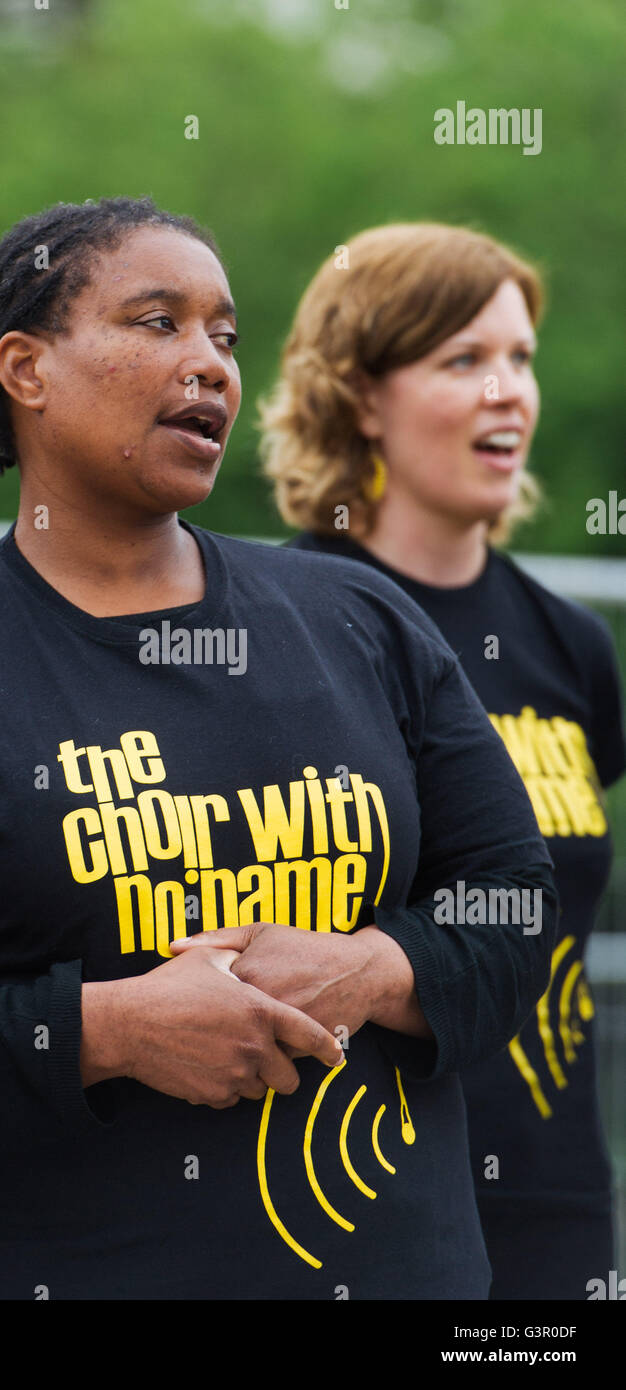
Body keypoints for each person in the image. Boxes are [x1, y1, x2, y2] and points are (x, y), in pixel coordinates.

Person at [0, 197, 556, 1300]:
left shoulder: (359, 619)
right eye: (155, 323)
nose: (209, 365)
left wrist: (374, 968)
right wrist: (109, 1031)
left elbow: (515, 897)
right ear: (23, 367)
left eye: (224, 337)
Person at [260, 221, 626, 1300]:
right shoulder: (282, 624)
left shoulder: (571, 644)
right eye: (460, 360)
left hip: (555, 1204)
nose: (506, 390)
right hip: (355, 1190)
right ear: (359, 394)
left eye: (518, 358)